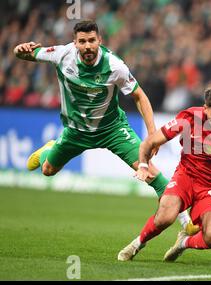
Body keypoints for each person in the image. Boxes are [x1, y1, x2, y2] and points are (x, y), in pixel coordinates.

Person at [13, 20, 198, 235]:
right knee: (47, 171)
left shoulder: (114, 66)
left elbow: (140, 96)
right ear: (75, 43)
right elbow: (24, 54)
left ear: (99, 41)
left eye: (92, 40)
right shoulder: (62, 55)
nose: (88, 46)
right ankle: (48, 149)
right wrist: (20, 49)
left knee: (149, 172)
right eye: (82, 41)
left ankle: (186, 222)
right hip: (76, 132)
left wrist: (152, 133)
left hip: (112, 130)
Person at [117, 81, 211, 262]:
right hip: (186, 177)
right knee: (165, 217)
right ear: (205, 108)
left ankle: (183, 242)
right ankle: (137, 243)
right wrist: (142, 166)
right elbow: (148, 143)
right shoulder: (189, 118)